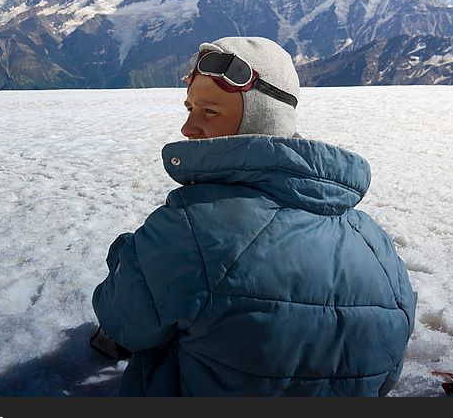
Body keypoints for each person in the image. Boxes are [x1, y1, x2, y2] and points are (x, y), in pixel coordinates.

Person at [91, 36, 416, 396]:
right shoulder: (373, 241)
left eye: (209, 111)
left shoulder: (188, 229)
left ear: (258, 120)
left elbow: (120, 320)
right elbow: (389, 368)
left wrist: (130, 254)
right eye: (190, 109)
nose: (188, 128)